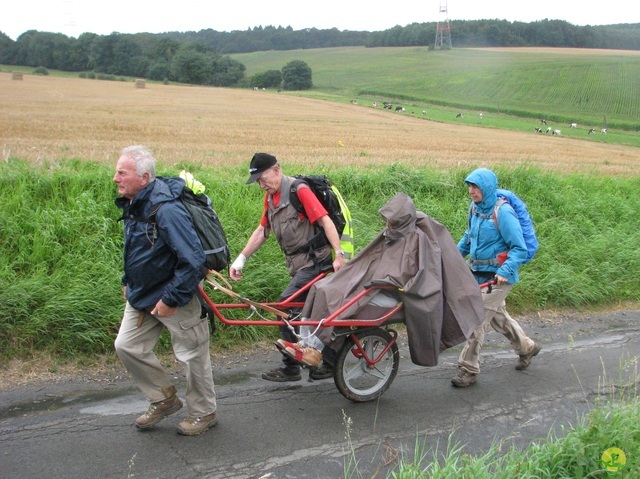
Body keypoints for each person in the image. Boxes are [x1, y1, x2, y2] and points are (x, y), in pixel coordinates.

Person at [277, 192, 485, 370]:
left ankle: (315, 349)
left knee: (335, 299)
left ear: (402, 220)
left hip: (392, 294)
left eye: (392, 221)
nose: (387, 224)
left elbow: (417, 276)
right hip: (373, 285)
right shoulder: (392, 234)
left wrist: (380, 279)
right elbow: (368, 259)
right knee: (320, 287)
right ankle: (305, 344)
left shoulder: (418, 241)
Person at [113, 145, 218, 435]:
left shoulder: (167, 209)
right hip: (142, 295)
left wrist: (171, 299)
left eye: (122, 172)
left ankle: (204, 413)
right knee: (127, 346)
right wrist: (128, 279)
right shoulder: (135, 203)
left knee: (192, 355)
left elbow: (193, 260)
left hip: (175, 296)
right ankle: (164, 399)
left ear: (144, 177)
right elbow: (136, 248)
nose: (115, 178)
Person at [229, 153, 346, 382]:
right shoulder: (270, 197)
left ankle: (295, 367)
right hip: (297, 265)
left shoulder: (298, 190)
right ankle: (323, 362)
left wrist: (339, 255)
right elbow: (263, 230)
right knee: (310, 313)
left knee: (286, 306)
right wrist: (241, 258)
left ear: (276, 170)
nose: (262, 186)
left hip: (315, 263)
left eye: (263, 179)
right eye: (258, 182)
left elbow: (325, 221)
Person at [452, 168, 541, 388]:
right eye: (470, 186)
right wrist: (453, 255)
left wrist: (504, 271)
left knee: (475, 318)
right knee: (498, 317)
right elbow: (469, 236)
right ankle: (527, 348)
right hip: (478, 273)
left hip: (499, 278)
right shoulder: (475, 208)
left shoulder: (503, 212)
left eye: (476, 187)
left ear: (487, 188)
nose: (472, 191)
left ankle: (468, 369)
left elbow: (519, 248)